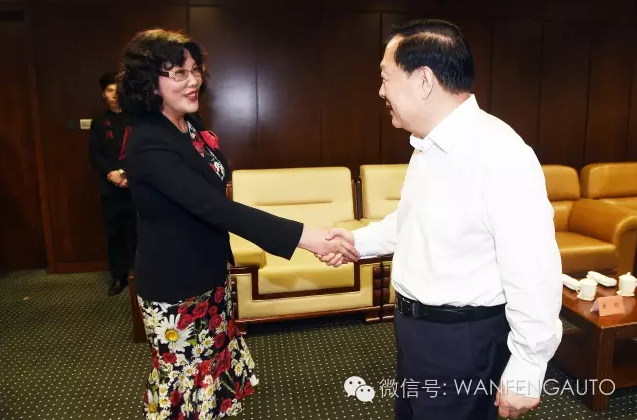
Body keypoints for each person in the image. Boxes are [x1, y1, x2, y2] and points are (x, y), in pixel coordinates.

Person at [321, 19, 563, 420]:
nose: (380, 91)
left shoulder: (500, 154)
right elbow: (411, 222)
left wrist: (528, 365)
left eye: (385, 77)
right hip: (416, 332)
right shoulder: (428, 146)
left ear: (423, 80)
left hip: (463, 341)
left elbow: (534, 269)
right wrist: (355, 242)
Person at [117, 29, 358, 420]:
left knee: (211, 377)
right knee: (186, 387)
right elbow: (215, 208)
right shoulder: (148, 142)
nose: (193, 80)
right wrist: (307, 237)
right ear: (149, 82)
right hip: (175, 285)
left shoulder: (187, 126)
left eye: (195, 70)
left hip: (209, 273)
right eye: (179, 73)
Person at [89, 72, 136, 296]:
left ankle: (143, 275)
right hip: (110, 188)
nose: (114, 95)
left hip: (136, 185)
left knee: (141, 233)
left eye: (117, 91)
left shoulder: (136, 118)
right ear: (103, 94)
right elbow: (95, 154)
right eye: (109, 90)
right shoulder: (99, 121)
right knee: (114, 234)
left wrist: (124, 172)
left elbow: (141, 151)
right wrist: (112, 173)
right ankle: (119, 277)